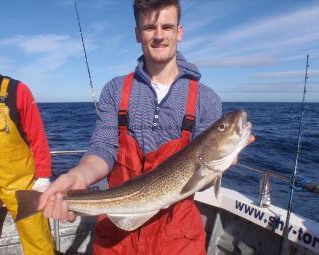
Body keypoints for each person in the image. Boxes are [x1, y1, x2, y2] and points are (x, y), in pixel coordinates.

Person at [39, 0, 254, 254]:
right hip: (117, 236)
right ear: (137, 33)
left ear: (179, 32)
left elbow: (202, 179)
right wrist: (76, 177)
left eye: (167, 26)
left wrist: (222, 163)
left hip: (177, 236)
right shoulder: (116, 90)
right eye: (150, 27)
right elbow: (104, 149)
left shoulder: (206, 100)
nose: (160, 35)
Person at [0, 36, 56, 254]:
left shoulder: (17, 90)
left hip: (21, 182)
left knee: (39, 242)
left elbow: (37, 137)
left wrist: (43, 178)